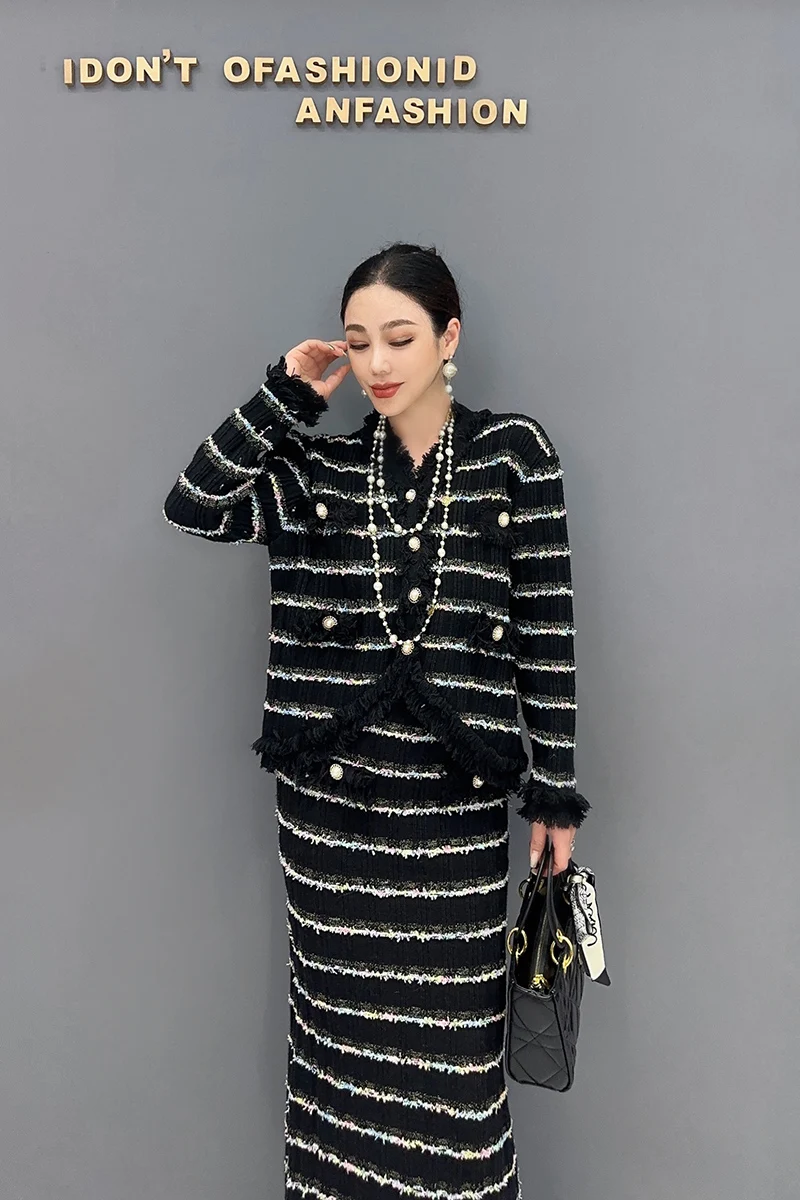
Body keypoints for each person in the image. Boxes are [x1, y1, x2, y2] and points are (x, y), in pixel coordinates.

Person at [163, 241, 590, 1198]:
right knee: (337, 1050)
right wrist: (284, 392)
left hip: (452, 812)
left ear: (449, 337)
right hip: (331, 821)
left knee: (454, 1066)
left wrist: (555, 795)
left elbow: (546, 629)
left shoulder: (514, 456)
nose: (378, 363)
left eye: (400, 337)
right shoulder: (318, 471)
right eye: (358, 343)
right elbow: (195, 503)